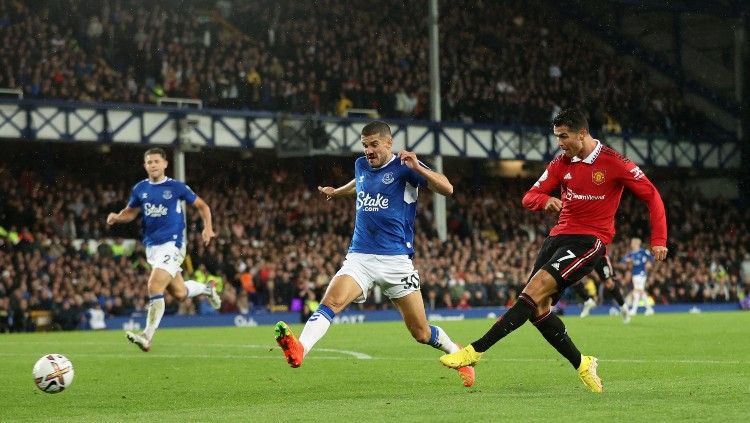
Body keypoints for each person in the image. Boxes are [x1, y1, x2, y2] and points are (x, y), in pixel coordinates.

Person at [440, 108, 668, 393]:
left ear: (582, 134)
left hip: (589, 241)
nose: (560, 142)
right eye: (557, 136)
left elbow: (652, 195)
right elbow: (529, 197)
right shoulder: (561, 162)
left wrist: (658, 238)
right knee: (538, 310)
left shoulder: (614, 162)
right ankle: (583, 363)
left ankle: (475, 351)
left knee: (531, 294)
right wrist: (545, 200)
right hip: (556, 239)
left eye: (564, 136)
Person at [273, 120, 475, 387]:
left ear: (389, 143)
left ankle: (457, 352)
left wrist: (418, 168)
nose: (368, 150)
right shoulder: (361, 165)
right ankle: (300, 349)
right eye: (365, 145)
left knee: (421, 332)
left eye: (374, 144)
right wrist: (338, 192)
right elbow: (360, 182)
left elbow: (447, 188)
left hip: (396, 261)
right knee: (330, 303)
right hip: (360, 257)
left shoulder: (405, 167)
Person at [106, 147, 221, 352]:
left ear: (165, 164)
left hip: (173, 243)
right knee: (179, 293)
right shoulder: (140, 189)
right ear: (145, 166)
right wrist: (117, 217)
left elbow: (203, 206)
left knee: (154, 286)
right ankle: (207, 289)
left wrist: (208, 228)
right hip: (152, 247)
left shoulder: (176, 187)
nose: (153, 165)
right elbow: (130, 212)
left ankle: (146, 336)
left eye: (156, 161)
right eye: (149, 162)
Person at [573, 254, 631, 323]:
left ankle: (623, 307)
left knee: (609, 284)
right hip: (585, 254)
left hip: (599, 255)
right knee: (572, 277)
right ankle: (587, 301)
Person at [622, 237, 655, 316]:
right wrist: (628, 261)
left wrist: (649, 263)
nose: (631, 244)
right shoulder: (631, 253)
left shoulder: (642, 252)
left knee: (637, 290)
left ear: (636, 244)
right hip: (634, 273)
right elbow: (623, 260)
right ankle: (649, 309)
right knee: (640, 291)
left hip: (641, 273)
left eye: (632, 243)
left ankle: (634, 309)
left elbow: (651, 257)